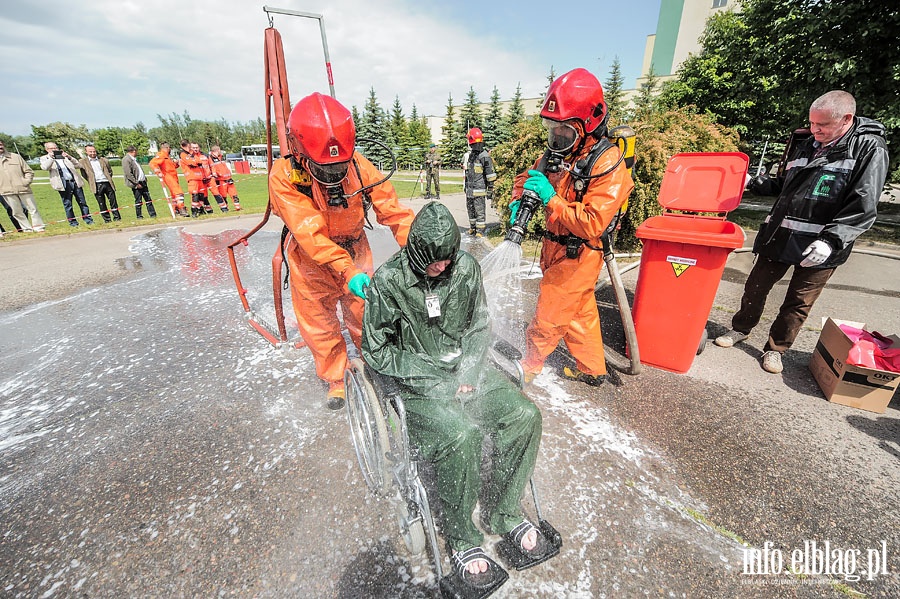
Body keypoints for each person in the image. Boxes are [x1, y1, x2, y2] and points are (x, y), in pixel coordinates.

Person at [362, 201, 558, 593]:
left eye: (449, 257)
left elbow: (480, 324)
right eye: (435, 261)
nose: (444, 267)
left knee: (524, 416)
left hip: (468, 370)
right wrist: (433, 375)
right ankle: (463, 538)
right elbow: (376, 350)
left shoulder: (464, 269)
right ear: (416, 253)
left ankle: (503, 513)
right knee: (460, 434)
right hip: (421, 384)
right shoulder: (389, 282)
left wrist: (469, 369)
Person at [714, 90, 889, 374]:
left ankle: (775, 349)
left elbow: (864, 204)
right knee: (755, 287)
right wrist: (754, 183)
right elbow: (787, 183)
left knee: (799, 301)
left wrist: (832, 240)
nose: (814, 130)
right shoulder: (808, 143)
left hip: (822, 244)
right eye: (811, 123)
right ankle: (740, 329)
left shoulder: (869, 148)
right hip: (781, 234)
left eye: (822, 125)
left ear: (846, 119)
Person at [268, 92, 415, 409]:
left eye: (340, 168)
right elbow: (310, 231)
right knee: (319, 322)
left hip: (355, 248)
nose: (335, 176)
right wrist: (347, 271)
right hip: (311, 259)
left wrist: (423, 247)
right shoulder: (284, 177)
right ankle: (336, 378)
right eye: (327, 170)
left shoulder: (359, 166)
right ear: (301, 153)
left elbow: (393, 211)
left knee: (366, 314)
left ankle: (376, 362)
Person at [511, 68, 634, 387]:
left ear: (589, 124)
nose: (556, 137)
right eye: (552, 128)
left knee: (548, 315)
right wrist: (518, 200)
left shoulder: (607, 164)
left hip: (580, 252)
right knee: (579, 313)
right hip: (555, 246)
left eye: (564, 129)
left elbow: (593, 222)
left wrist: (550, 199)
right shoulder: (557, 152)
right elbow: (528, 179)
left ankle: (530, 366)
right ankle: (593, 369)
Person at [40, 142, 95, 227]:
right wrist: (51, 158)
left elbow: (78, 165)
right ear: (47, 150)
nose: (55, 150)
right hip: (63, 184)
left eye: (56, 148)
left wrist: (69, 157)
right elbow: (45, 167)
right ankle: (73, 223)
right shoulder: (44, 158)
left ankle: (88, 220)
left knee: (82, 202)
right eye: (52, 149)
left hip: (74, 181)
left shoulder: (64, 157)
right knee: (68, 204)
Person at [0, 140, 45, 232]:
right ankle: (26, 228)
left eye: (0, 144)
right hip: (6, 191)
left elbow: (28, 171)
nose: (0, 147)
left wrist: (26, 182)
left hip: (23, 188)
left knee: (32, 208)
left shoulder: (15, 157)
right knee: (16, 212)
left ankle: (38, 227)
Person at [462, 128, 496, 237]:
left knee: (479, 210)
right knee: (470, 209)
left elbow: (490, 175)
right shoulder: (472, 155)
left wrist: (490, 189)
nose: (471, 146)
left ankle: (480, 231)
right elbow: (469, 172)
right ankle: (473, 228)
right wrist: (466, 186)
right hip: (470, 189)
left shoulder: (484, 156)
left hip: (479, 189)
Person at [79, 144, 121, 222]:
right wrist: (91, 181)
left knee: (113, 202)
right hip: (96, 184)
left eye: (94, 151)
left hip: (107, 182)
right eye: (90, 151)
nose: (93, 153)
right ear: (86, 152)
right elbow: (84, 174)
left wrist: (108, 178)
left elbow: (110, 170)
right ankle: (107, 220)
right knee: (102, 204)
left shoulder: (103, 160)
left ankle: (117, 218)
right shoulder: (83, 162)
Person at [150, 142, 188, 217]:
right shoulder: (161, 155)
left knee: (174, 195)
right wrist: (158, 172)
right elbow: (152, 163)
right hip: (168, 176)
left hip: (173, 176)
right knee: (179, 192)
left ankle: (176, 209)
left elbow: (170, 166)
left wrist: (176, 164)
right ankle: (181, 208)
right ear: (168, 148)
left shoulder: (167, 156)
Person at [180, 142, 218, 216]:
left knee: (201, 196)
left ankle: (200, 210)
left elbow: (199, 161)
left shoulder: (195, 155)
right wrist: (195, 162)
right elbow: (192, 163)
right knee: (195, 195)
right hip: (192, 178)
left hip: (200, 178)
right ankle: (194, 211)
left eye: (196, 147)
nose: (194, 149)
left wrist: (196, 161)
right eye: (192, 147)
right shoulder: (184, 155)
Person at [122, 145, 157, 218]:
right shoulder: (126, 159)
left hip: (143, 182)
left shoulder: (134, 159)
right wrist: (136, 183)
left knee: (148, 199)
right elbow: (128, 173)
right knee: (138, 200)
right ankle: (139, 216)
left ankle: (153, 214)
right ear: (134, 151)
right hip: (136, 184)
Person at [209, 145, 241, 211]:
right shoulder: (210, 158)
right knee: (223, 195)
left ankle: (238, 207)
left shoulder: (221, 157)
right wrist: (217, 174)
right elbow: (213, 168)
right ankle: (226, 208)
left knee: (234, 194)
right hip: (221, 180)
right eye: (219, 150)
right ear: (217, 150)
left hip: (228, 178)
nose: (220, 152)